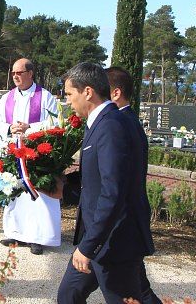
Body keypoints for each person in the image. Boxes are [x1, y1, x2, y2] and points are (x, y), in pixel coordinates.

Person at [57, 62, 152, 304]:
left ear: (87, 92)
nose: (67, 101)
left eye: (69, 94)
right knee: (69, 295)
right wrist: (63, 187)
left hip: (114, 241)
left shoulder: (111, 125)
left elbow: (113, 192)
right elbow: (95, 178)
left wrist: (89, 245)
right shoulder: (98, 122)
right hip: (99, 237)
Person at [0, 58, 61, 255]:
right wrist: (9, 128)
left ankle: (38, 237)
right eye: (13, 73)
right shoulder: (7, 98)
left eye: (19, 72)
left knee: (38, 194)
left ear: (30, 73)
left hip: (38, 155)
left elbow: (55, 124)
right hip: (14, 153)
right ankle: (15, 232)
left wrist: (30, 128)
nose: (15, 76)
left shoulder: (45, 97)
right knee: (16, 192)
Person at [106, 66, 160, 304]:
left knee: (134, 289)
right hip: (123, 222)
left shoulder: (120, 123)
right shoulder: (125, 120)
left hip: (123, 222)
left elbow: (116, 175)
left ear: (115, 93)